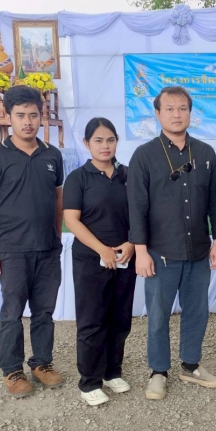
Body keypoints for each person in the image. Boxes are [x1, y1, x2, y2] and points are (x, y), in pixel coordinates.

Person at [128, 86, 216, 400]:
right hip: (160, 253)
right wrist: (141, 251)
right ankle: (158, 371)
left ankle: (191, 365)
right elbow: (137, 207)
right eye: (169, 109)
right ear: (157, 114)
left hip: (198, 251)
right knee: (158, 315)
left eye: (182, 108)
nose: (176, 114)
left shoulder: (205, 153)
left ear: (190, 113)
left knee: (197, 311)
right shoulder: (144, 155)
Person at [0, 85, 65, 398]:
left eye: (33, 115)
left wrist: (56, 238)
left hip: (48, 248)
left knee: (44, 311)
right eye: (20, 115)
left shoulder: (52, 155)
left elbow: (58, 201)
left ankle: (42, 363)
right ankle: (12, 370)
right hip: (11, 250)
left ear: (42, 116)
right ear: (8, 117)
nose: (28, 121)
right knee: (12, 312)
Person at [63, 118, 136, 406]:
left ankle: (112, 372)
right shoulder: (78, 178)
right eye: (98, 140)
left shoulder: (128, 175)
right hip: (90, 260)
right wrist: (101, 250)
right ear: (87, 143)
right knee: (92, 321)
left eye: (110, 140)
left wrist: (131, 243)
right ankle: (89, 381)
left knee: (120, 319)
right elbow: (72, 220)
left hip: (125, 257)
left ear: (117, 141)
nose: (105, 146)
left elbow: (141, 213)